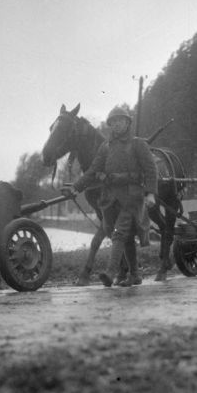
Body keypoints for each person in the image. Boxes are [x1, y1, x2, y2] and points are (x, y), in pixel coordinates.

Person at [68, 106, 158, 287]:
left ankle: (110, 273)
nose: (116, 124)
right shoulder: (105, 147)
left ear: (127, 123)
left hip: (132, 196)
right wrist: (76, 187)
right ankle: (135, 275)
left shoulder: (138, 144)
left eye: (120, 121)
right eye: (113, 122)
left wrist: (150, 194)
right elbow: (93, 171)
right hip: (110, 198)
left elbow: (151, 170)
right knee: (125, 236)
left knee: (119, 233)